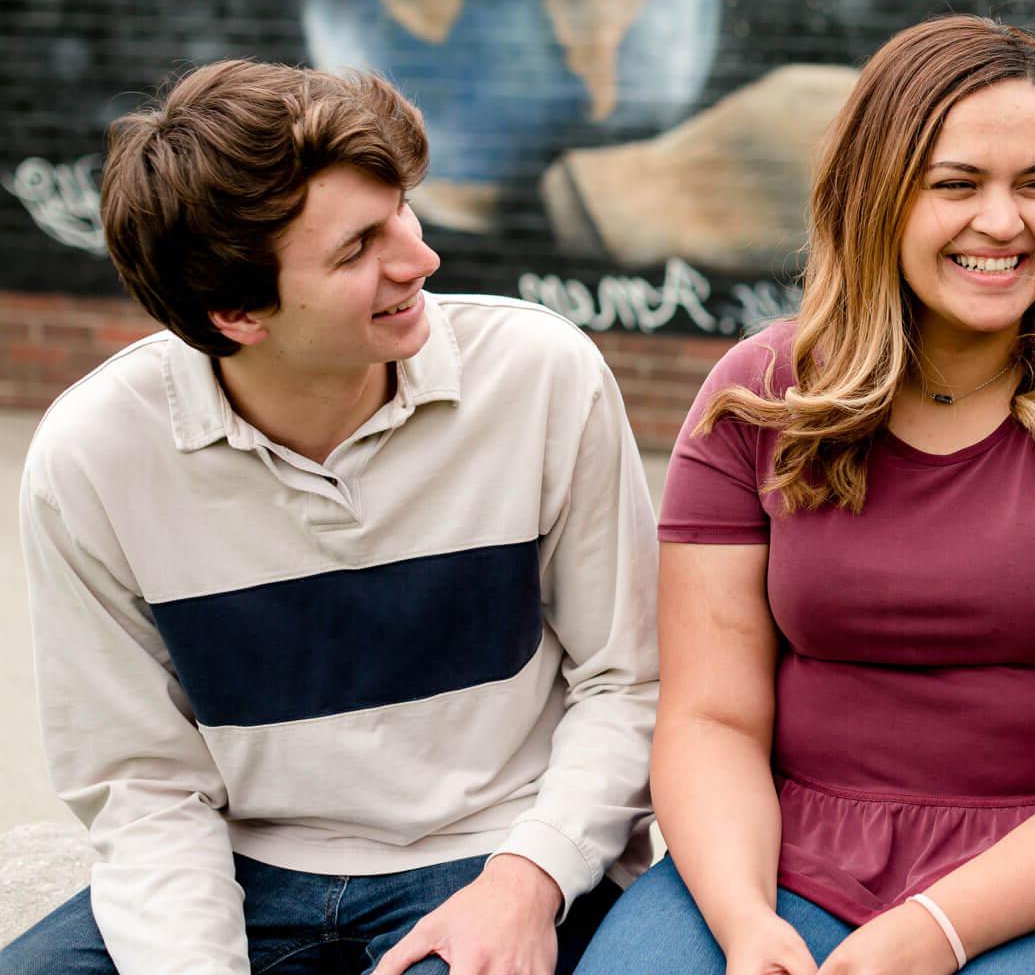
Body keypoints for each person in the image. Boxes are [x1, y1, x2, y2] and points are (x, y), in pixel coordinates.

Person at [575, 14, 1035, 975]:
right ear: (875, 195)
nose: (1006, 222)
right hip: (790, 858)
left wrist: (938, 930)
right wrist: (742, 923)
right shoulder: (759, 396)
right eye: (957, 185)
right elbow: (711, 719)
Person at [2, 60, 659, 975]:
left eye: (402, 211)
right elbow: (142, 784)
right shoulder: (95, 455)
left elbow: (629, 681)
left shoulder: (540, 375)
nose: (419, 259)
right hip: (242, 867)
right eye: (357, 250)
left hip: (496, 849)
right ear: (235, 312)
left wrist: (529, 879)